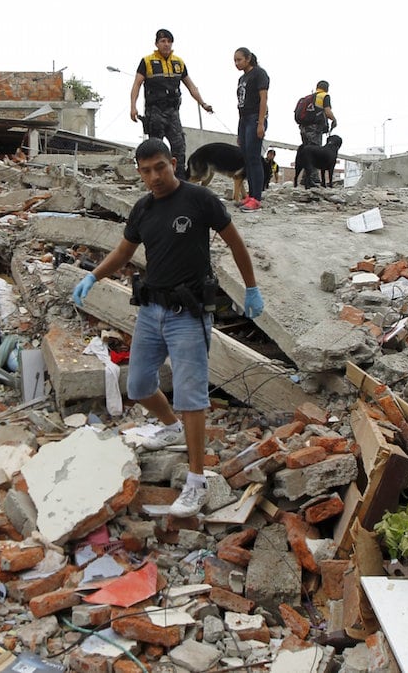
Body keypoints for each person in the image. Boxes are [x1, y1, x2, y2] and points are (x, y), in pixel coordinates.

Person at [72, 138, 264, 518]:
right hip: (150, 311)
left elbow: (236, 243)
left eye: (160, 167)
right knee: (139, 385)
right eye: (145, 171)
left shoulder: (199, 200)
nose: (154, 177)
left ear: (173, 163)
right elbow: (125, 252)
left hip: (188, 314)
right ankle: (170, 427)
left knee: (191, 396)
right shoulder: (143, 209)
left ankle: (196, 482)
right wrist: (92, 276)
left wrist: (251, 288)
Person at [130, 29, 214, 178]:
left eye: (169, 41)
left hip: (173, 111)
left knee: (179, 147)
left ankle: (180, 180)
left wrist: (203, 103)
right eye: (163, 41)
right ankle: (156, 179)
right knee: (155, 148)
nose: (166, 44)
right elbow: (136, 84)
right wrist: (133, 106)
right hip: (155, 111)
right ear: (156, 44)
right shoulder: (147, 61)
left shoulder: (178, 62)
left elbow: (190, 85)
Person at [234, 48, 269, 212]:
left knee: (254, 158)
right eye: (235, 60)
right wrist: (239, 129)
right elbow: (241, 104)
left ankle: (257, 198)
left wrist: (260, 123)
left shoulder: (259, 74)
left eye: (239, 60)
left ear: (248, 59)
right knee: (246, 158)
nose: (236, 63)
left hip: (255, 118)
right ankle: (250, 195)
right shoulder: (242, 78)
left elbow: (264, 98)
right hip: (244, 120)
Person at [295, 80, 337, 147]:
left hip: (303, 128)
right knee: (314, 150)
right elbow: (327, 111)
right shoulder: (324, 96)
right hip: (315, 129)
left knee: (305, 150)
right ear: (327, 88)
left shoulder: (308, 97)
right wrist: (334, 120)